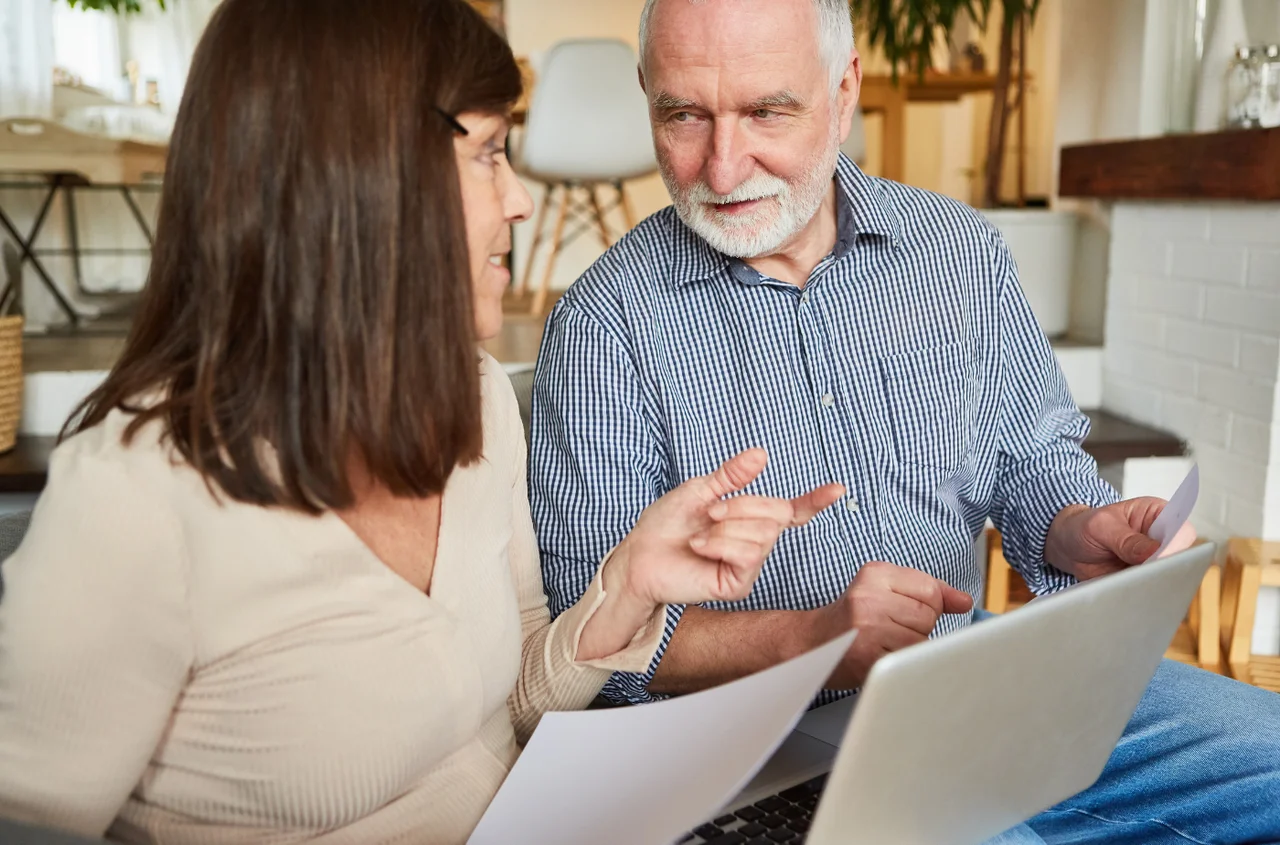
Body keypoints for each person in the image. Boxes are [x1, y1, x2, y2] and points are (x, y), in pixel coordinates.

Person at [0, 1, 843, 842]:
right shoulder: (137, 493)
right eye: (488, 154)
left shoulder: (470, 396)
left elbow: (502, 707)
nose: (519, 200)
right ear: (362, 172)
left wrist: (627, 586)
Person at [530, 0, 1280, 842]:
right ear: (647, 95)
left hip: (975, 671)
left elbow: (1030, 455)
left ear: (843, 90)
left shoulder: (959, 253)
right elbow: (595, 643)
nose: (724, 166)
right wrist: (813, 640)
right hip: (760, 740)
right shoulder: (603, 327)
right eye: (684, 116)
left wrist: (1077, 524)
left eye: (767, 111)